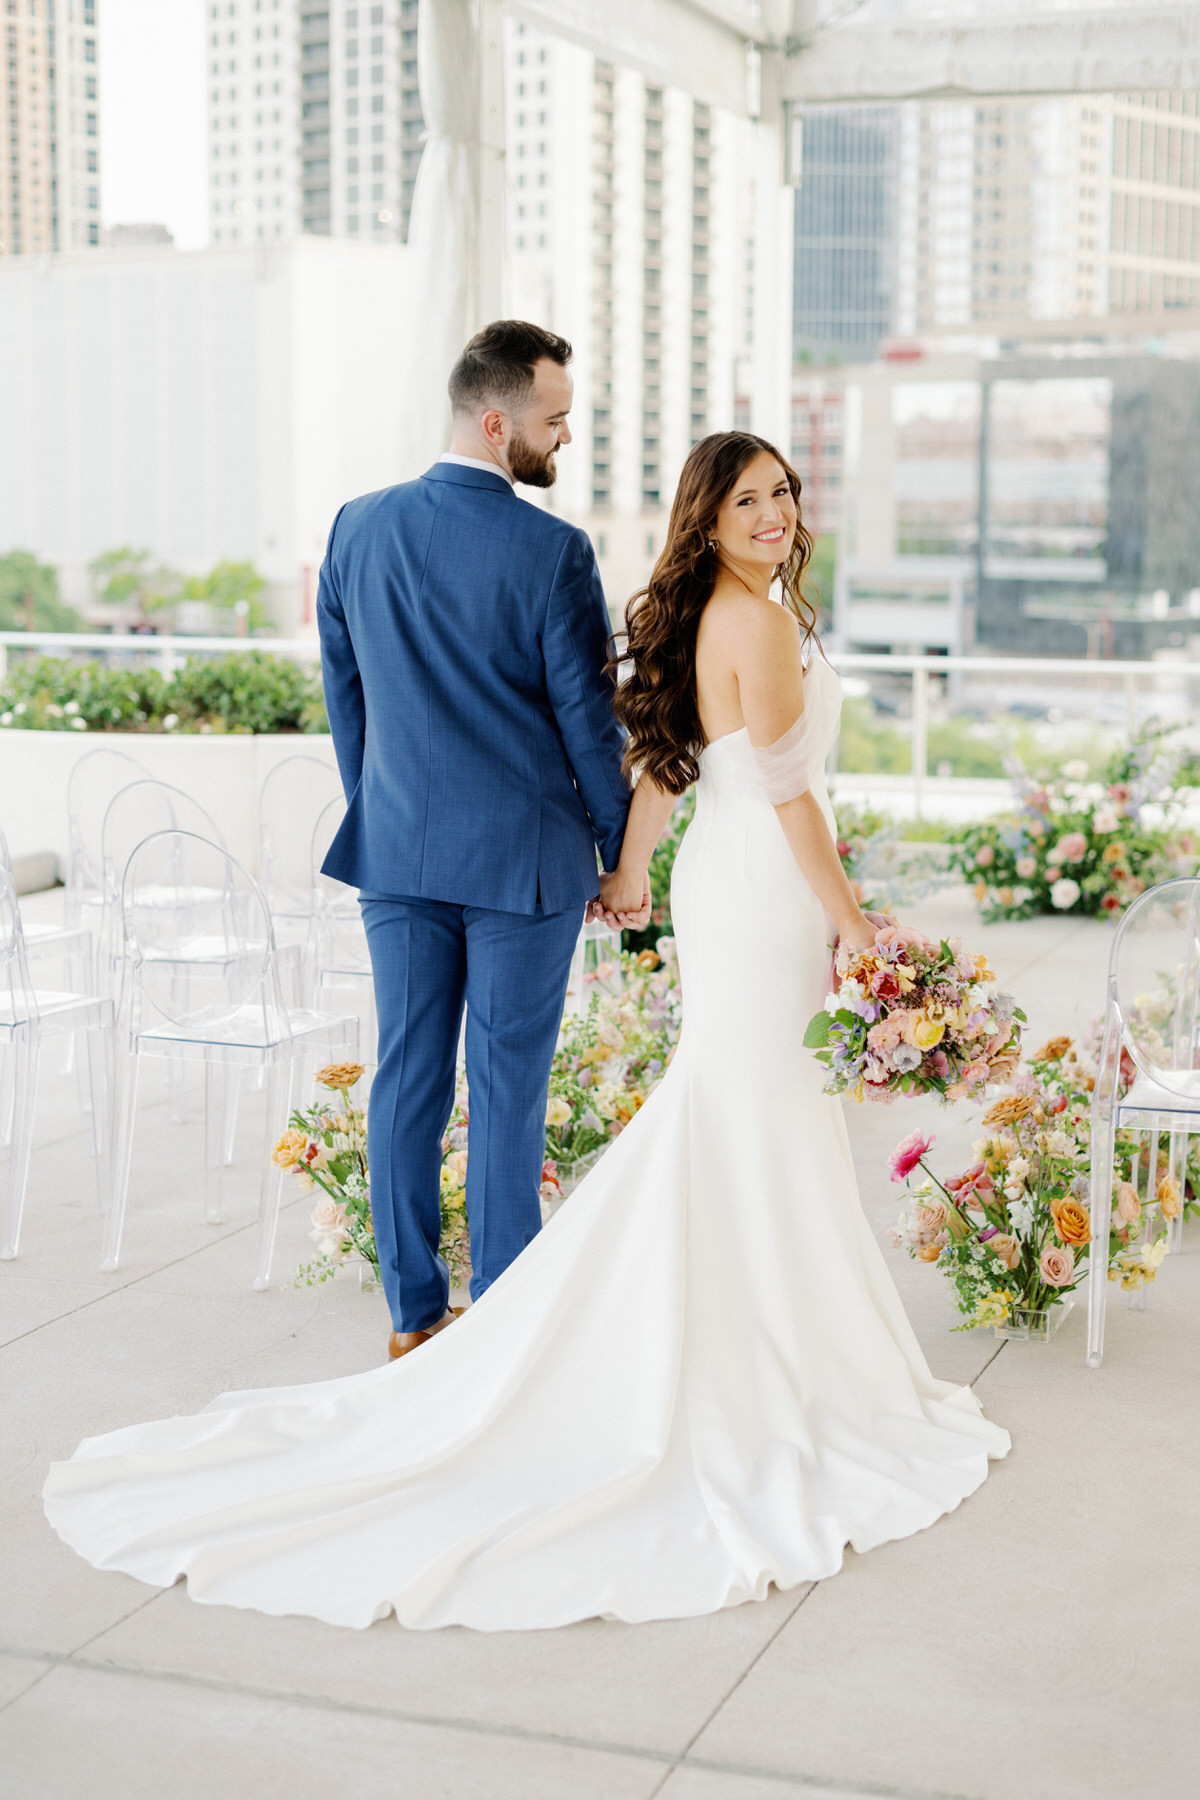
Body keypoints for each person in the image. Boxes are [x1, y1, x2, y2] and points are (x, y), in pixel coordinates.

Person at [44, 430, 1009, 1632]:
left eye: (785, 493)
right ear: (706, 519)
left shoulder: (723, 607)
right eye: (749, 498)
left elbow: (665, 765)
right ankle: (735, 1345)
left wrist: (632, 876)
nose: (775, 513)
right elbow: (788, 790)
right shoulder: (754, 621)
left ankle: (733, 1325)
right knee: (745, 1101)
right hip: (766, 888)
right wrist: (854, 920)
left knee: (741, 1100)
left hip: (730, 880)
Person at [314, 320, 643, 1360]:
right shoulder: (552, 551)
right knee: (509, 1088)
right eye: (554, 422)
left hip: (400, 854)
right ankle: (501, 1323)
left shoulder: (355, 527)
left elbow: (347, 700)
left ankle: (414, 1318)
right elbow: (588, 724)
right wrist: (619, 850)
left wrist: (387, 808)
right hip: (525, 867)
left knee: (407, 1076)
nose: (564, 440)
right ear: (497, 423)